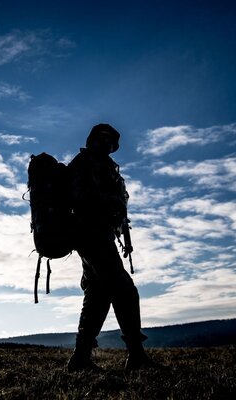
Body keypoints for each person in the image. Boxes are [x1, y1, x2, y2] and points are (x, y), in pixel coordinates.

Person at [66, 123, 161, 372]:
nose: (106, 144)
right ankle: (136, 355)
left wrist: (123, 235)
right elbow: (82, 197)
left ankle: (80, 359)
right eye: (102, 139)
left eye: (110, 141)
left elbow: (118, 209)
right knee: (125, 290)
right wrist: (112, 201)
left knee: (98, 295)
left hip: (101, 236)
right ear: (93, 140)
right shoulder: (84, 163)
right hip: (90, 235)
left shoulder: (106, 167)